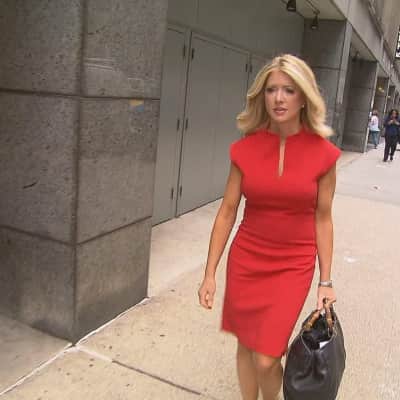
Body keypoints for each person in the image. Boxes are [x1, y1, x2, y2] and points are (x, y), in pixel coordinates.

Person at [198, 54, 341, 400]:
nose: (278, 98)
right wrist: (209, 273)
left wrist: (325, 280)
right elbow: (227, 211)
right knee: (246, 345)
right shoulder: (245, 148)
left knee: (266, 358)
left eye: (289, 90)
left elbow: (323, 218)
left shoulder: (324, 154)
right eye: (271, 89)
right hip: (247, 258)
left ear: (304, 97)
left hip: (293, 263)